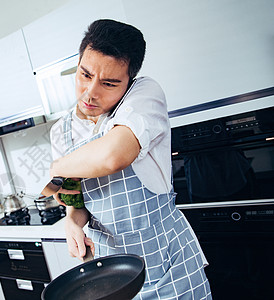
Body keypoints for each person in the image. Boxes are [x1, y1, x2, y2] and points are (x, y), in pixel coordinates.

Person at [49, 19, 212, 299]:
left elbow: (113, 156)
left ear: (129, 81)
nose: (91, 93)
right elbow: (76, 201)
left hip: (169, 267)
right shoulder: (60, 132)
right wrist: (72, 223)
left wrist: (56, 169)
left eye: (109, 83)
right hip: (112, 274)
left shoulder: (144, 96)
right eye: (85, 75)